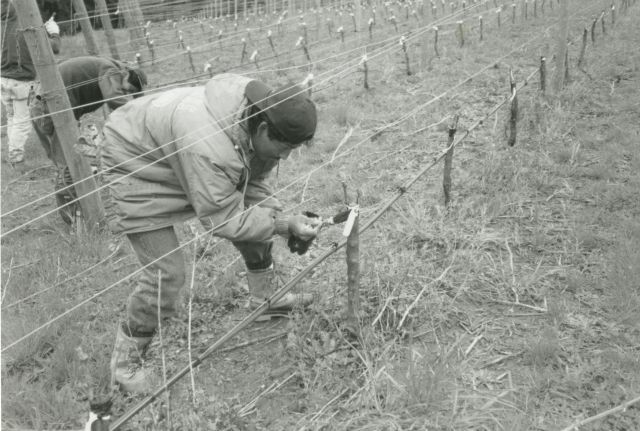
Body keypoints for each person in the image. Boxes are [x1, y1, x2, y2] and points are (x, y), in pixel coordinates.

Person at [102, 73, 321, 393]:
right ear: (262, 130)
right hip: (132, 154)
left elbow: (252, 185)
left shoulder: (261, 113)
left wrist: (284, 220)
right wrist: (283, 224)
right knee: (167, 274)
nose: (286, 156)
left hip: (175, 147)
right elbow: (224, 218)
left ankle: (265, 298)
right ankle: (125, 368)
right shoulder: (211, 146)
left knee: (260, 219)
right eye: (284, 148)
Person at [29, 56, 147, 223]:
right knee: (69, 166)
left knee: (69, 163)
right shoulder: (112, 70)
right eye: (128, 90)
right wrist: (140, 115)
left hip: (48, 106)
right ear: (127, 76)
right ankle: (74, 221)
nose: (126, 94)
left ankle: (80, 215)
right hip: (51, 110)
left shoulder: (108, 67)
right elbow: (113, 98)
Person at [1, 0, 60, 164]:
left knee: (13, 117)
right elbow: (53, 48)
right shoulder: (27, 26)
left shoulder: (4, 21)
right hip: (22, 83)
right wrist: (54, 32)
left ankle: (13, 153)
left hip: (4, 79)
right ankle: (16, 159)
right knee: (22, 121)